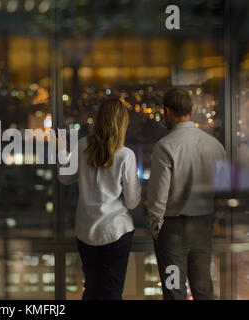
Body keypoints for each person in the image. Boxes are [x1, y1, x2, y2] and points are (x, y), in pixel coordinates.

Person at [146, 88, 228, 300]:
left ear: (167, 111)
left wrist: (156, 227)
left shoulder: (165, 147)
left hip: (172, 230)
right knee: (203, 289)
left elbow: (158, 196)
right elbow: (223, 190)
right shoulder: (214, 146)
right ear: (189, 110)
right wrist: (213, 217)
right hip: (202, 227)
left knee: (174, 290)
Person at [58, 98, 141, 300]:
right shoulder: (125, 155)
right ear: (122, 123)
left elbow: (65, 177)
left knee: (91, 290)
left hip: (86, 231)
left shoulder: (81, 146)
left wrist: (62, 150)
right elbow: (132, 202)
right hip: (116, 231)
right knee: (112, 292)